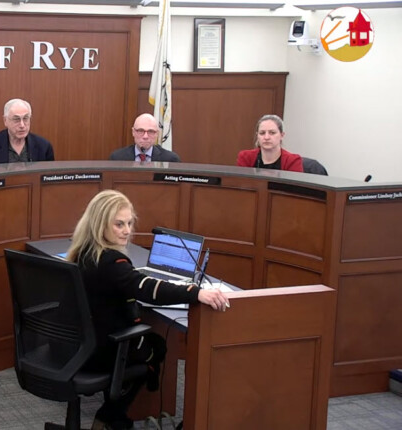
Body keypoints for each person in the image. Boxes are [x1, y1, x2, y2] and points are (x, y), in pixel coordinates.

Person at [66, 190, 228, 430]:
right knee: (157, 348)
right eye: (119, 224)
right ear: (100, 225)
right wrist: (196, 292)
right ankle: (110, 415)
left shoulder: (81, 253)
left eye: (130, 223)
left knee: (145, 341)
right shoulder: (112, 263)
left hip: (77, 346)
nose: (127, 230)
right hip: (103, 351)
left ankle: (116, 414)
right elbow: (145, 288)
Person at [0, 98, 54, 165]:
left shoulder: (44, 146)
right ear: (5, 121)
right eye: (16, 119)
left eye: (26, 118)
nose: (22, 125)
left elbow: (48, 181)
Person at [236, 114, 303, 172]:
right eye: (262, 133)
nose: (266, 137)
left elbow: (293, 187)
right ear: (257, 136)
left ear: (282, 135)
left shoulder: (293, 160)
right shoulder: (245, 157)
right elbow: (241, 184)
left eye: (272, 133)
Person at [109, 113, 180, 162]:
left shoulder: (170, 159)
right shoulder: (117, 158)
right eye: (140, 131)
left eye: (150, 131)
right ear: (133, 132)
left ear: (157, 134)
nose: (145, 136)